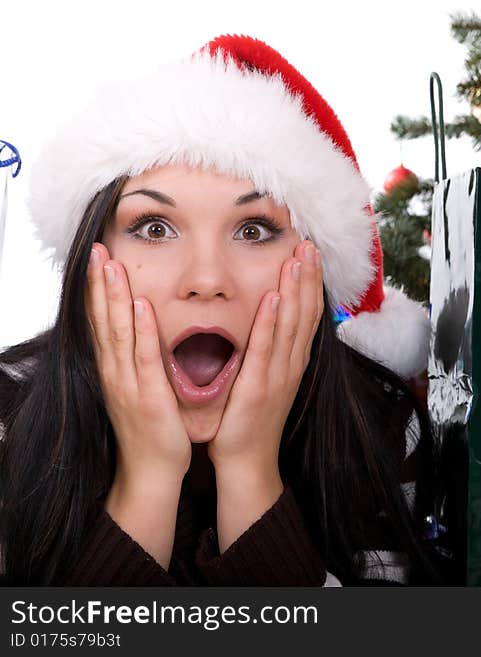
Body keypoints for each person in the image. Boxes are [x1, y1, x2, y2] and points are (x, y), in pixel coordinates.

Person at [0, 34, 446, 586]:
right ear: (93, 258)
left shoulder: (380, 426)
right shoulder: (7, 415)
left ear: (312, 267)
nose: (207, 280)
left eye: (254, 230)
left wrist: (250, 476)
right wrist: (148, 483)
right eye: (154, 228)